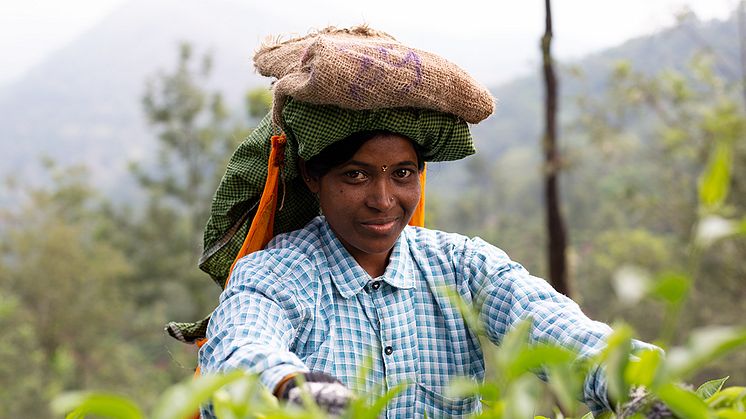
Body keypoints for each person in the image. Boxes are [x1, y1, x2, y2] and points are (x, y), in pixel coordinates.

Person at [194, 26, 657, 418]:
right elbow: (242, 345)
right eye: (355, 175)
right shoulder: (277, 273)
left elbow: (557, 329)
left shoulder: (460, 266)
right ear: (314, 177)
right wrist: (296, 387)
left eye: (402, 174)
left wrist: (640, 385)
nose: (383, 200)